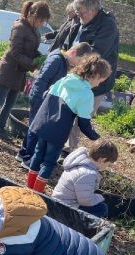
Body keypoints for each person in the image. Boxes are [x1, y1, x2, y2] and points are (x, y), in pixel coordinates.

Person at [26, 55, 112, 193]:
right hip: (57, 131)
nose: (99, 84)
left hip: (41, 123)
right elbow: (83, 124)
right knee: (48, 162)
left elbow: (45, 95)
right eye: (101, 81)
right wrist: (97, 139)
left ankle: (28, 188)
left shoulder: (66, 79)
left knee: (37, 155)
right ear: (95, 75)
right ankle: (36, 193)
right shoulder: (86, 93)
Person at [0, 0, 51, 144]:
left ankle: (0, 129)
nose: (42, 24)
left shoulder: (33, 29)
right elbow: (15, 53)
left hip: (20, 72)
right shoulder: (19, 27)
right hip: (9, 69)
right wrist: (33, 63)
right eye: (41, 20)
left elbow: (30, 50)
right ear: (33, 15)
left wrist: (39, 57)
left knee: (10, 103)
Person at [16, 42, 93, 167]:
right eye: (79, 61)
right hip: (40, 100)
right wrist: (37, 101)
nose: (79, 65)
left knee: (33, 128)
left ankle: (23, 153)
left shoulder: (62, 61)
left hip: (44, 100)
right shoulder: (57, 60)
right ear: (73, 53)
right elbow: (41, 79)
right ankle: (27, 158)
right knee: (35, 131)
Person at [61, 0, 119, 153]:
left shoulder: (108, 25)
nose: (79, 16)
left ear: (94, 10)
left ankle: (67, 150)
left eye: (82, 13)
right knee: (67, 109)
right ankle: (58, 142)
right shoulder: (83, 21)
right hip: (77, 74)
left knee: (81, 116)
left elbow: (96, 53)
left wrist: (73, 59)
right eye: (77, 12)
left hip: (95, 82)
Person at [51, 140, 119, 218]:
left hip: (58, 201)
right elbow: (86, 201)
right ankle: (76, 226)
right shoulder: (88, 174)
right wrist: (100, 197)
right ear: (102, 160)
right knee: (102, 208)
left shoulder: (79, 163)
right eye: (109, 163)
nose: (108, 166)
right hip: (63, 208)